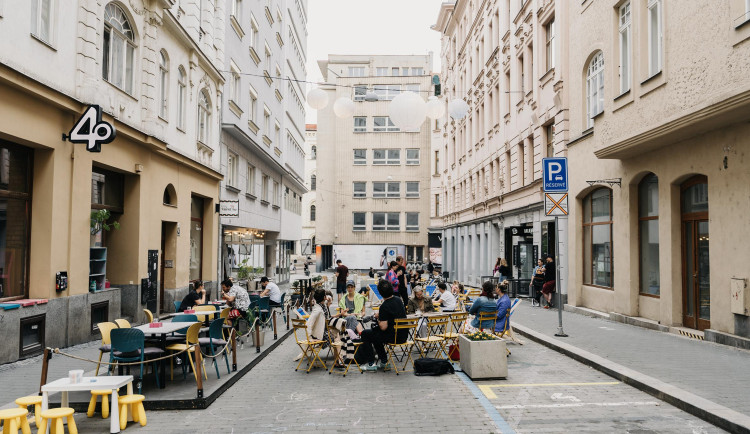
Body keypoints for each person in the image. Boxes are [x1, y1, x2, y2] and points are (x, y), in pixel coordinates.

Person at [360, 280, 407, 372]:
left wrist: (378, 317)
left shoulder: (384, 306)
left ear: (380, 293)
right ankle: (384, 362)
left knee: (366, 334)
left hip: (393, 337)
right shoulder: (398, 300)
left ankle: (371, 363)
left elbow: (383, 327)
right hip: (403, 335)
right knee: (375, 334)